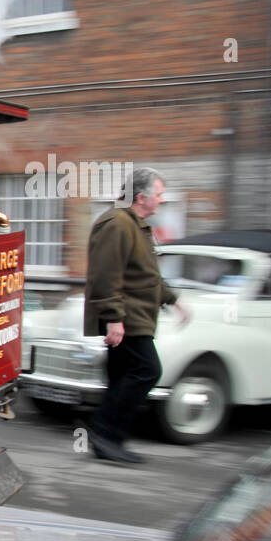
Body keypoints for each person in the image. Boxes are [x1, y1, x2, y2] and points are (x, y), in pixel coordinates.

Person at [84, 167, 190, 464]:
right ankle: (105, 435)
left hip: (137, 315)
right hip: (128, 318)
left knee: (122, 377)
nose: (161, 200)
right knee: (147, 370)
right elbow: (107, 273)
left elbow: (148, 274)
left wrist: (174, 301)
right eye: (158, 195)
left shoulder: (135, 225)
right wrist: (114, 317)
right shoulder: (117, 223)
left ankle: (108, 439)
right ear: (142, 197)